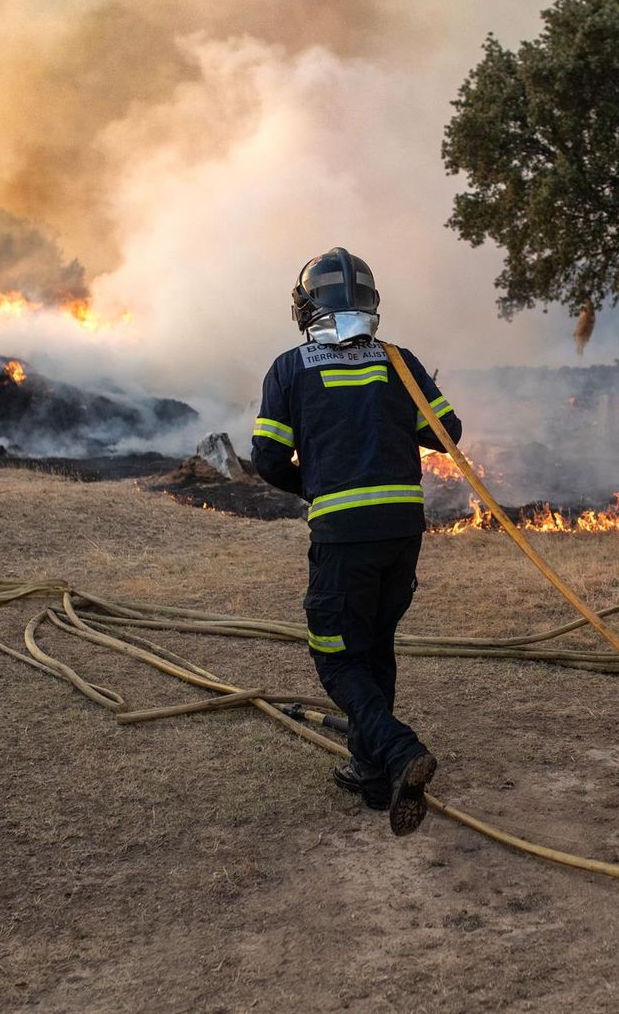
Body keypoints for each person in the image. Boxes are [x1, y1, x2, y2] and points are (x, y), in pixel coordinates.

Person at [250, 247, 462, 836]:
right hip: (401, 530)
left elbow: (266, 457)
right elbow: (448, 434)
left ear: (306, 306)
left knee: (337, 654)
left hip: (344, 534)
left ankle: (398, 750)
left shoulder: (290, 368)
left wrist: (312, 486)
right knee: (375, 641)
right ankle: (372, 773)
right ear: (370, 302)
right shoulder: (399, 360)